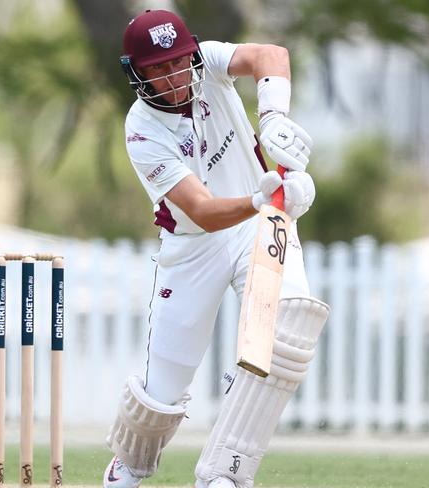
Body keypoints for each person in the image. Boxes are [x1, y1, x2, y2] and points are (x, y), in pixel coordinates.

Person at [103, 9, 330, 488]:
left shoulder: (207, 63)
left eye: (179, 62)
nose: (174, 76)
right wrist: (261, 197)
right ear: (137, 74)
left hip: (257, 227)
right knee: (162, 393)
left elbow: (271, 54)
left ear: (192, 53)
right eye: (158, 69)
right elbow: (202, 211)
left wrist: (272, 118)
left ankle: (225, 473)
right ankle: (127, 466)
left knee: (288, 329)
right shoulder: (141, 129)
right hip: (192, 247)